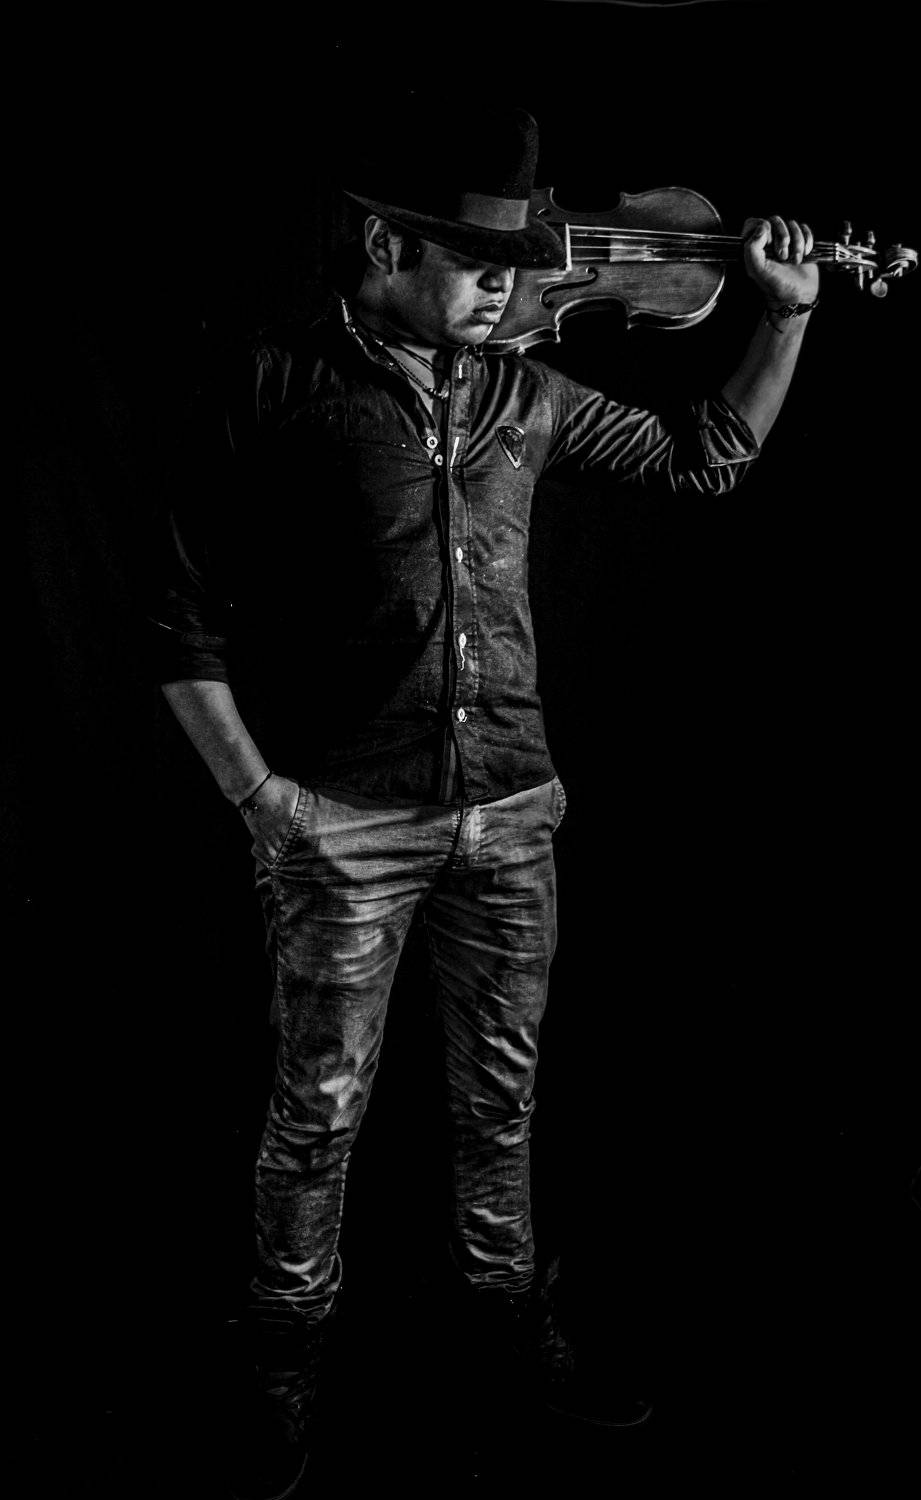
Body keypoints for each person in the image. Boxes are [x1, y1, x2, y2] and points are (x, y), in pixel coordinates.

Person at [149, 106, 818, 1499]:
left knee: (500, 1104)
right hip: (344, 824)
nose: (512, 289)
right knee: (316, 1112)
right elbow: (177, 618)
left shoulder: (528, 394)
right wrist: (266, 803)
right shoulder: (274, 379)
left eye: (520, 265)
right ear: (387, 247)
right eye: (481, 266)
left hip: (511, 814)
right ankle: (282, 1358)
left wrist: (784, 315)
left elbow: (707, 453)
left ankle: (505, 1335)